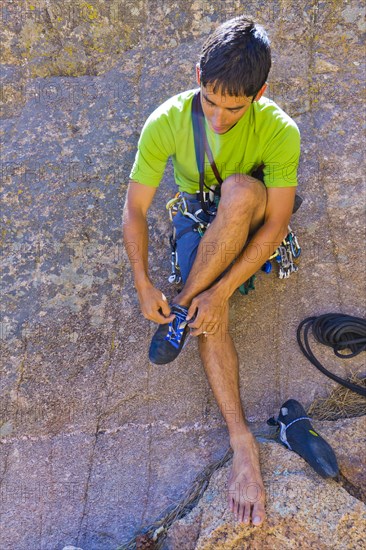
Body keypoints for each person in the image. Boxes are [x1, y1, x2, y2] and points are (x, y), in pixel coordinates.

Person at [123, 15, 301, 527]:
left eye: (236, 108)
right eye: (211, 102)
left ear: (260, 92)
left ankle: (184, 306)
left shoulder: (279, 130)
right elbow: (134, 208)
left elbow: (275, 228)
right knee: (208, 313)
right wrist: (141, 279)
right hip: (199, 209)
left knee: (243, 192)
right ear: (198, 73)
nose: (220, 118)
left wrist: (218, 290)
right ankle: (241, 439)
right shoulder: (167, 120)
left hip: (255, 212)